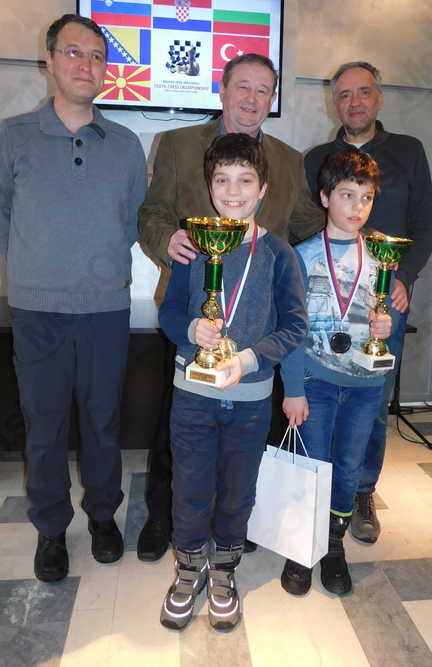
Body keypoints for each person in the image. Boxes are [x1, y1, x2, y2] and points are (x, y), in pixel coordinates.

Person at [0, 14, 147, 583]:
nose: (86, 65)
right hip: (37, 311)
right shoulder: (12, 136)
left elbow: (132, 220)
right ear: (49, 61)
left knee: (103, 421)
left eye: (97, 56)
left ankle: (102, 517)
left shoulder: (125, 145)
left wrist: (91, 267)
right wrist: (37, 266)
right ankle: (51, 527)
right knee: (44, 424)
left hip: (105, 307)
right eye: (74, 52)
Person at [136, 53, 324, 561]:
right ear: (221, 90)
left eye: (263, 90)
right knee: (176, 432)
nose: (251, 98)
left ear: (272, 99)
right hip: (193, 318)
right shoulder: (177, 143)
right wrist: (167, 240)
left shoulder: (289, 160)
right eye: (242, 86)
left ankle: (234, 525)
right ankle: (165, 517)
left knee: (244, 444)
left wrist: (367, 253)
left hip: (256, 329)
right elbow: (152, 211)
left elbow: (312, 226)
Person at [158, 133, 308, 631]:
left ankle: (223, 570)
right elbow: (169, 313)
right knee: (190, 487)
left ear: (262, 188)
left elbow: (295, 327)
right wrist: (191, 330)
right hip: (193, 397)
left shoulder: (279, 254)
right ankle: (189, 570)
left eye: (245, 180)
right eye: (222, 180)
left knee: (238, 490)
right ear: (209, 187)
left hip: (249, 401)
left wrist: (247, 359)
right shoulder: (191, 248)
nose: (233, 191)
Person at [304, 61, 432, 544]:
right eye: (344, 95)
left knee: (373, 404)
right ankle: (314, 496)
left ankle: (361, 492)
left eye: (364, 92)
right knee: (317, 399)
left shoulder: (409, 151)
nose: (354, 102)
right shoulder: (316, 158)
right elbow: (305, 224)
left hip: (384, 304)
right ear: (333, 104)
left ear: (379, 98)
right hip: (328, 302)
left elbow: (424, 225)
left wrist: (403, 277)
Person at [281, 146, 394, 596]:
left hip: (366, 386)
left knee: (348, 469)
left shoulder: (382, 255)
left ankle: (332, 545)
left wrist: (385, 325)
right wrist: (293, 387)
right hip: (316, 382)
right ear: (325, 197)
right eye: (347, 195)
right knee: (313, 466)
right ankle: (301, 546)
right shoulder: (302, 255)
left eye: (366, 198)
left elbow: (383, 316)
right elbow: (291, 328)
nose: (357, 207)